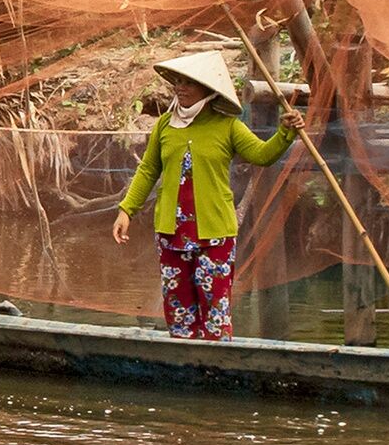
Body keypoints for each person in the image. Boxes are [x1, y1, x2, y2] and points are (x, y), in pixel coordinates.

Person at [108, 48, 291, 340]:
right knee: (179, 313)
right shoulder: (165, 126)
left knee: (214, 314)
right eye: (177, 82)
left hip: (214, 234)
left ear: (208, 89)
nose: (180, 88)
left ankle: (217, 365)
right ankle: (186, 366)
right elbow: (147, 171)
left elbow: (262, 154)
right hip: (171, 234)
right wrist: (126, 210)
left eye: (188, 83)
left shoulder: (228, 126)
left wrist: (285, 133)